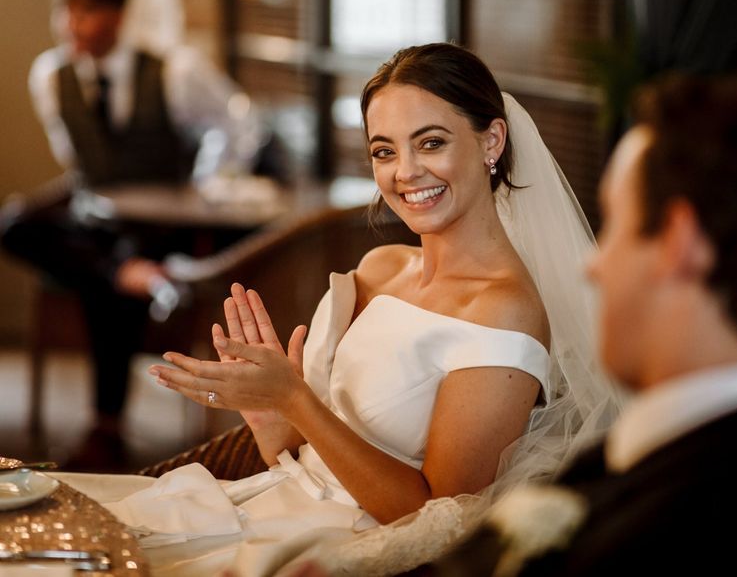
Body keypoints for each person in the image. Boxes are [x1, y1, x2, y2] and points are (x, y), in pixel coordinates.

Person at [54, 43, 620, 576]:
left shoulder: (503, 311)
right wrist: (272, 421)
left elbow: (435, 523)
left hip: (337, 550)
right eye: (383, 150)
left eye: (430, 142)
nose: (405, 173)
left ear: (491, 141)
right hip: (266, 503)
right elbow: (311, 463)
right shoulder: (379, 266)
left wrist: (296, 400)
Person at [426, 72, 737, 576]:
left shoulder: (681, 524)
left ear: (679, 243)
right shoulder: (670, 440)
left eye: (613, 225)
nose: (593, 265)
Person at [0, 0, 269, 471]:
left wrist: (205, 184)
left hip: (164, 221)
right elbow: (73, 157)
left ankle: (107, 426)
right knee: (14, 225)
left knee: (113, 273)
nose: (72, 26)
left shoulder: (174, 70)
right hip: (97, 214)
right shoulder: (50, 76)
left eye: (87, 13)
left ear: (117, 16)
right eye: (67, 13)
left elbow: (239, 120)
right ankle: (124, 272)